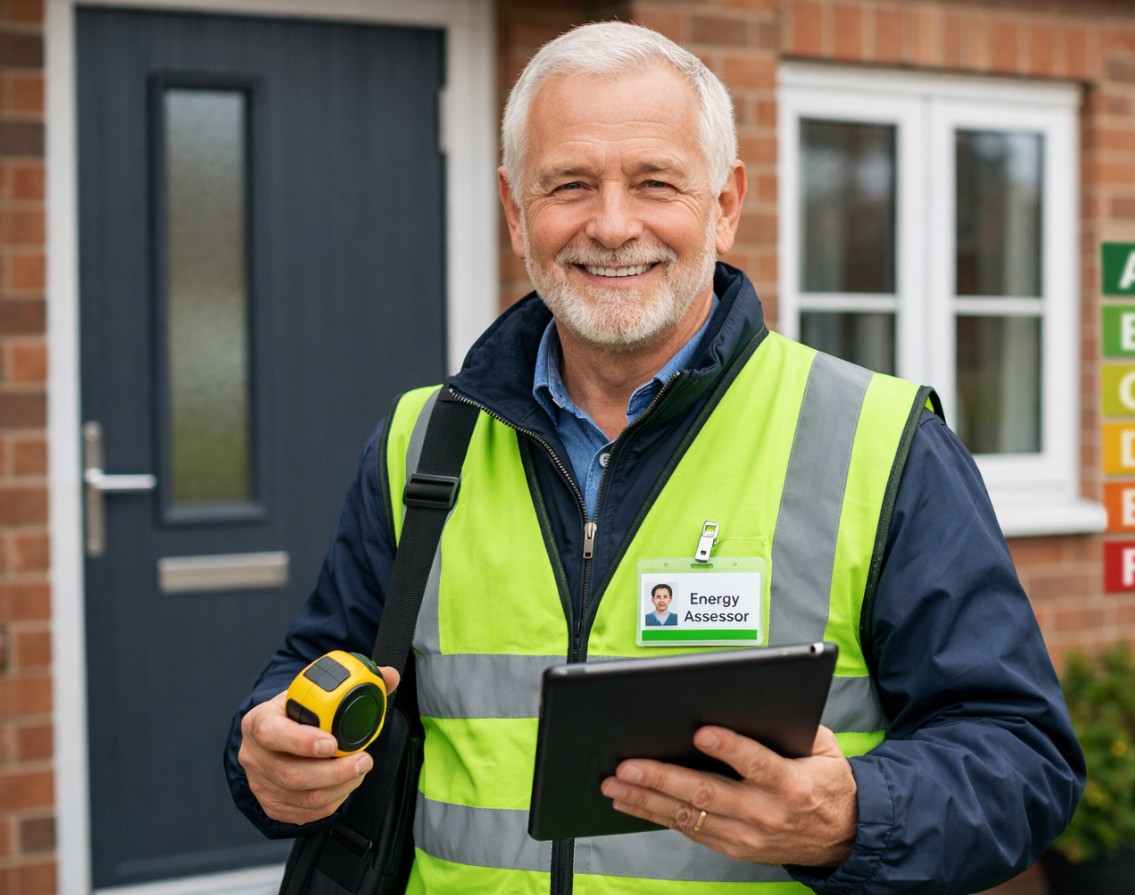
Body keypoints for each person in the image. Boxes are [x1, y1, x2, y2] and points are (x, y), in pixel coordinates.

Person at [226, 20, 1084, 895]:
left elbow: (1019, 756)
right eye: (568, 183)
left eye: (653, 182)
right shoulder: (423, 442)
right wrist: (268, 756)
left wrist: (854, 815)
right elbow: (313, 673)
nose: (610, 223)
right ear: (515, 211)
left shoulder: (879, 439)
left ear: (724, 204)